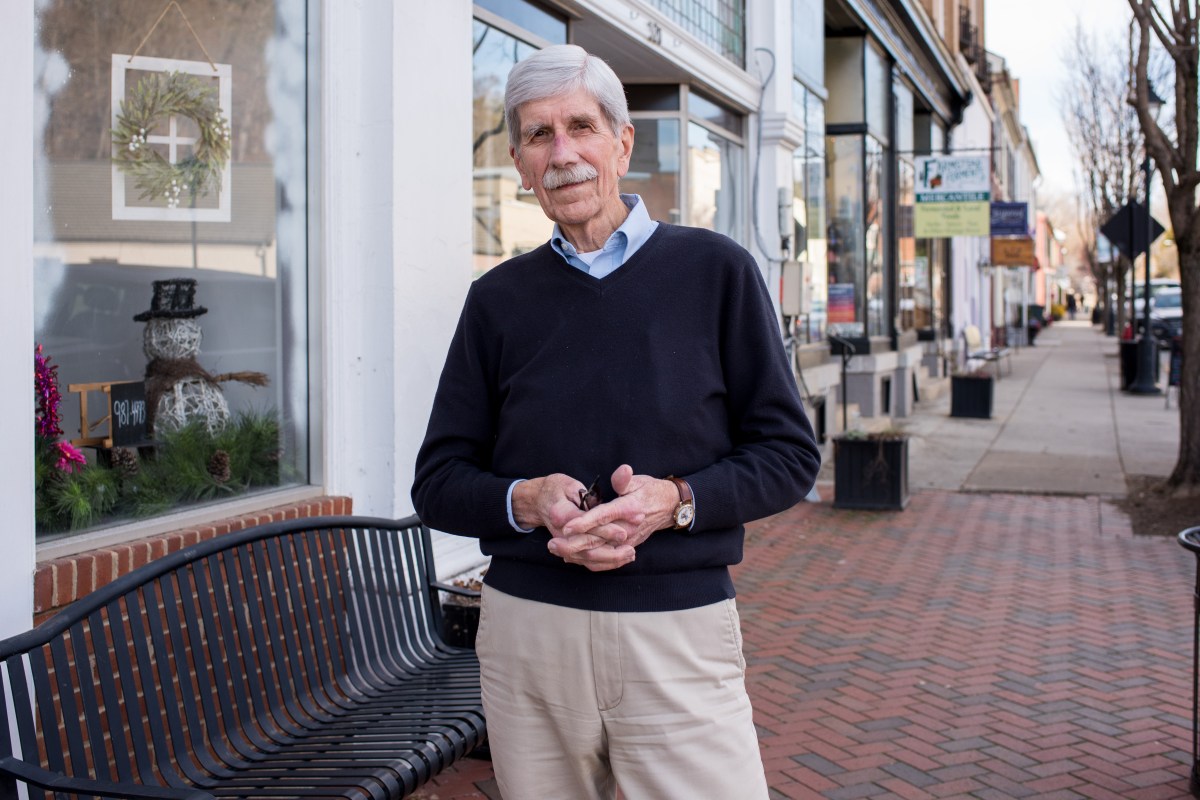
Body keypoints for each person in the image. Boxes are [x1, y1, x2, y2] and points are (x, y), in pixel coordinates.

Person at [412, 43, 820, 800]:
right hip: (529, 635)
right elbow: (437, 482)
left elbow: (790, 455)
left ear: (622, 142)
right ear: (519, 163)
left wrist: (676, 499)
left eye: (580, 127)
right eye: (539, 136)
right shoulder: (497, 301)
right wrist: (526, 500)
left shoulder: (717, 273)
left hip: (676, 633)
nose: (562, 153)